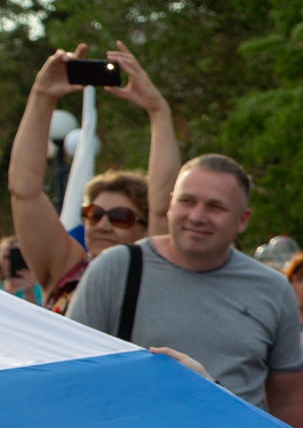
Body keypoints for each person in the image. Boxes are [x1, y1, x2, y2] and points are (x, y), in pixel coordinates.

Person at [68, 155, 303, 428]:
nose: (197, 216)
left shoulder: (273, 289)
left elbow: (289, 398)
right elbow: (71, 375)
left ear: (243, 220)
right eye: (187, 201)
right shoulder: (116, 269)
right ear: (170, 205)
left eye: (215, 207)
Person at [6, 42, 178, 316]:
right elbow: (24, 191)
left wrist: (158, 111)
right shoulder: (64, 271)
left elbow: (162, 203)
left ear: (146, 229)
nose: (103, 225)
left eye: (120, 217)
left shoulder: (154, 274)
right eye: (92, 214)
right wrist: (42, 95)